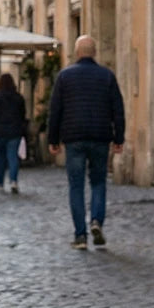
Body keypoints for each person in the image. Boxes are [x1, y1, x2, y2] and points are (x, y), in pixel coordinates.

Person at [48, 35, 125, 249]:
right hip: (100, 136)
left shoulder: (65, 76)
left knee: (76, 185)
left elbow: (55, 110)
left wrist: (53, 139)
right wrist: (119, 137)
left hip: (74, 138)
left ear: (76, 53)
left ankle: (80, 236)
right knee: (99, 181)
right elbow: (118, 109)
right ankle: (97, 221)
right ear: (95, 53)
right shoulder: (107, 76)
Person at [0, 72, 27, 193]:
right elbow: (23, 115)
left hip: (0, 131)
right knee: (13, 157)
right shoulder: (19, 97)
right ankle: (13, 181)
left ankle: (0, 182)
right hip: (14, 131)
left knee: (0, 158)